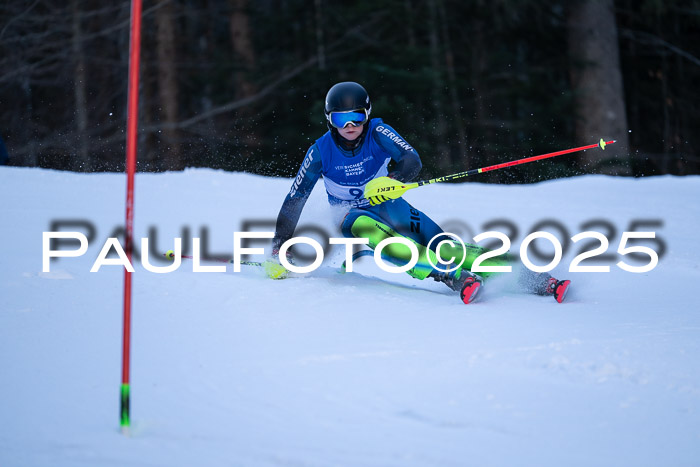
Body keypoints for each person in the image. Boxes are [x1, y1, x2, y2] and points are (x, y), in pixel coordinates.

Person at [268, 81, 570, 304]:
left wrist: (395, 177)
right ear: (329, 120)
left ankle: (534, 279)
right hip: (349, 216)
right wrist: (279, 247)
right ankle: (450, 276)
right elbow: (296, 198)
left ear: (367, 115)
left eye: (357, 118)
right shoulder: (319, 151)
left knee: (446, 247)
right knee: (377, 234)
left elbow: (412, 159)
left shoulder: (378, 132)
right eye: (340, 119)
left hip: (389, 204)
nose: (349, 126)